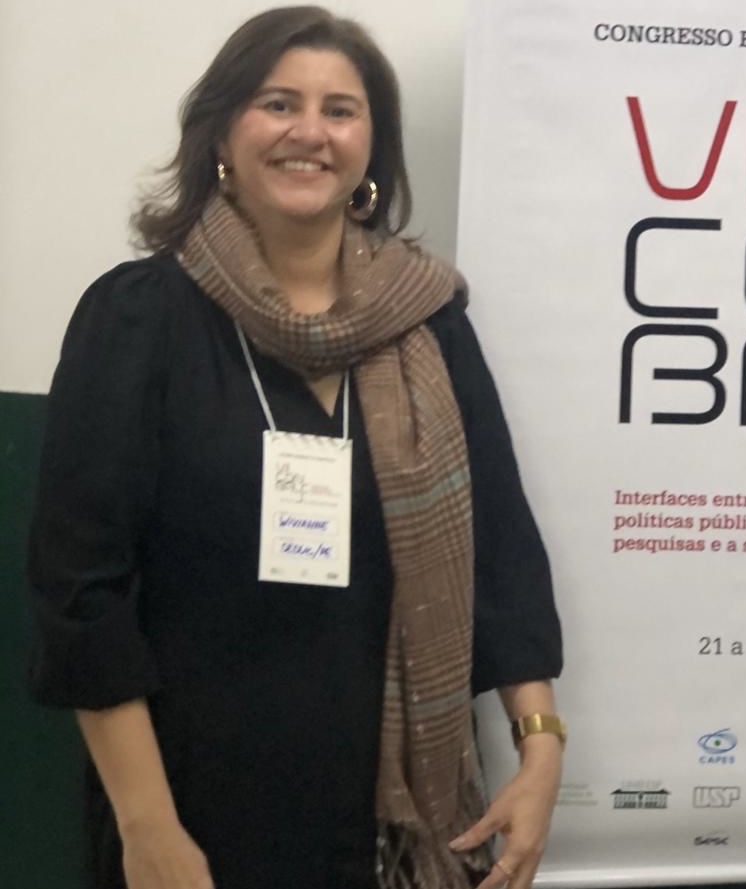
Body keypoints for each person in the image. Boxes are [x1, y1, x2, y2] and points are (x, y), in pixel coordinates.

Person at [25, 7, 563, 889]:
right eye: (278, 104)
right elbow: (82, 593)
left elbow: (501, 548)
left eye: (340, 110)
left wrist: (540, 749)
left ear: (371, 148)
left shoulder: (430, 325)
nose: (310, 132)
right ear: (222, 135)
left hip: (393, 826)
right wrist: (147, 827)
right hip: (190, 816)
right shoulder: (141, 318)